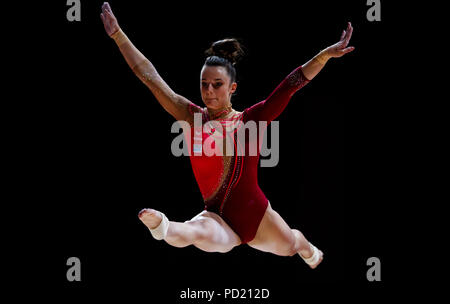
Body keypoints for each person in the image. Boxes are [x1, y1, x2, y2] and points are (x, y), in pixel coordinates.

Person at [100, 2, 354, 269]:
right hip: (217, 216)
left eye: (217, 84)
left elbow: (290, 85)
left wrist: (324, 56)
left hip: (256, 218)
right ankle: (164, 227)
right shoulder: (192, 116)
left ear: (233, 87)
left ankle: (307, 249)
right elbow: (150, 77)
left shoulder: (249, 120)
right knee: (197, 232)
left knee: (291, 244)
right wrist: (119, 35)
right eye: (204, 84)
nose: (209, 91)